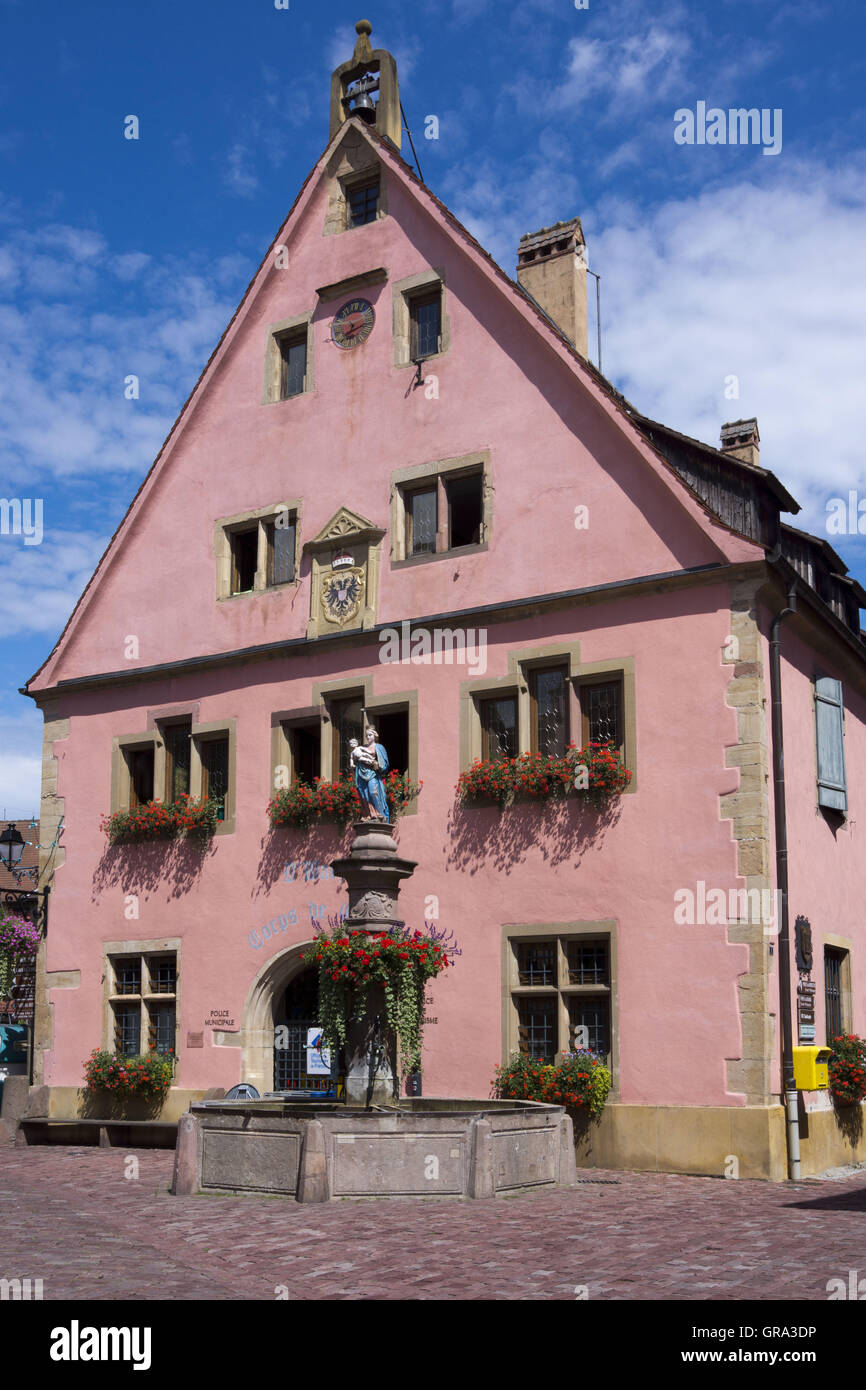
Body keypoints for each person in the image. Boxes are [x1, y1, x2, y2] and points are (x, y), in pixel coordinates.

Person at [349, 727, 390, 820]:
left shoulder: (379, 747)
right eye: (366, 735)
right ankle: (370, 814)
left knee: (373, 792)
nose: (368, 737)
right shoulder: (362, 747)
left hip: (373, 773)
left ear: (374, 735)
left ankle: (379, 812)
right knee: (365, 794)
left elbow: (385, 763)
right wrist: (354, 763)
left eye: (370, 735)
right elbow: (355, 759)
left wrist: (378, 765)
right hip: (361, 774)